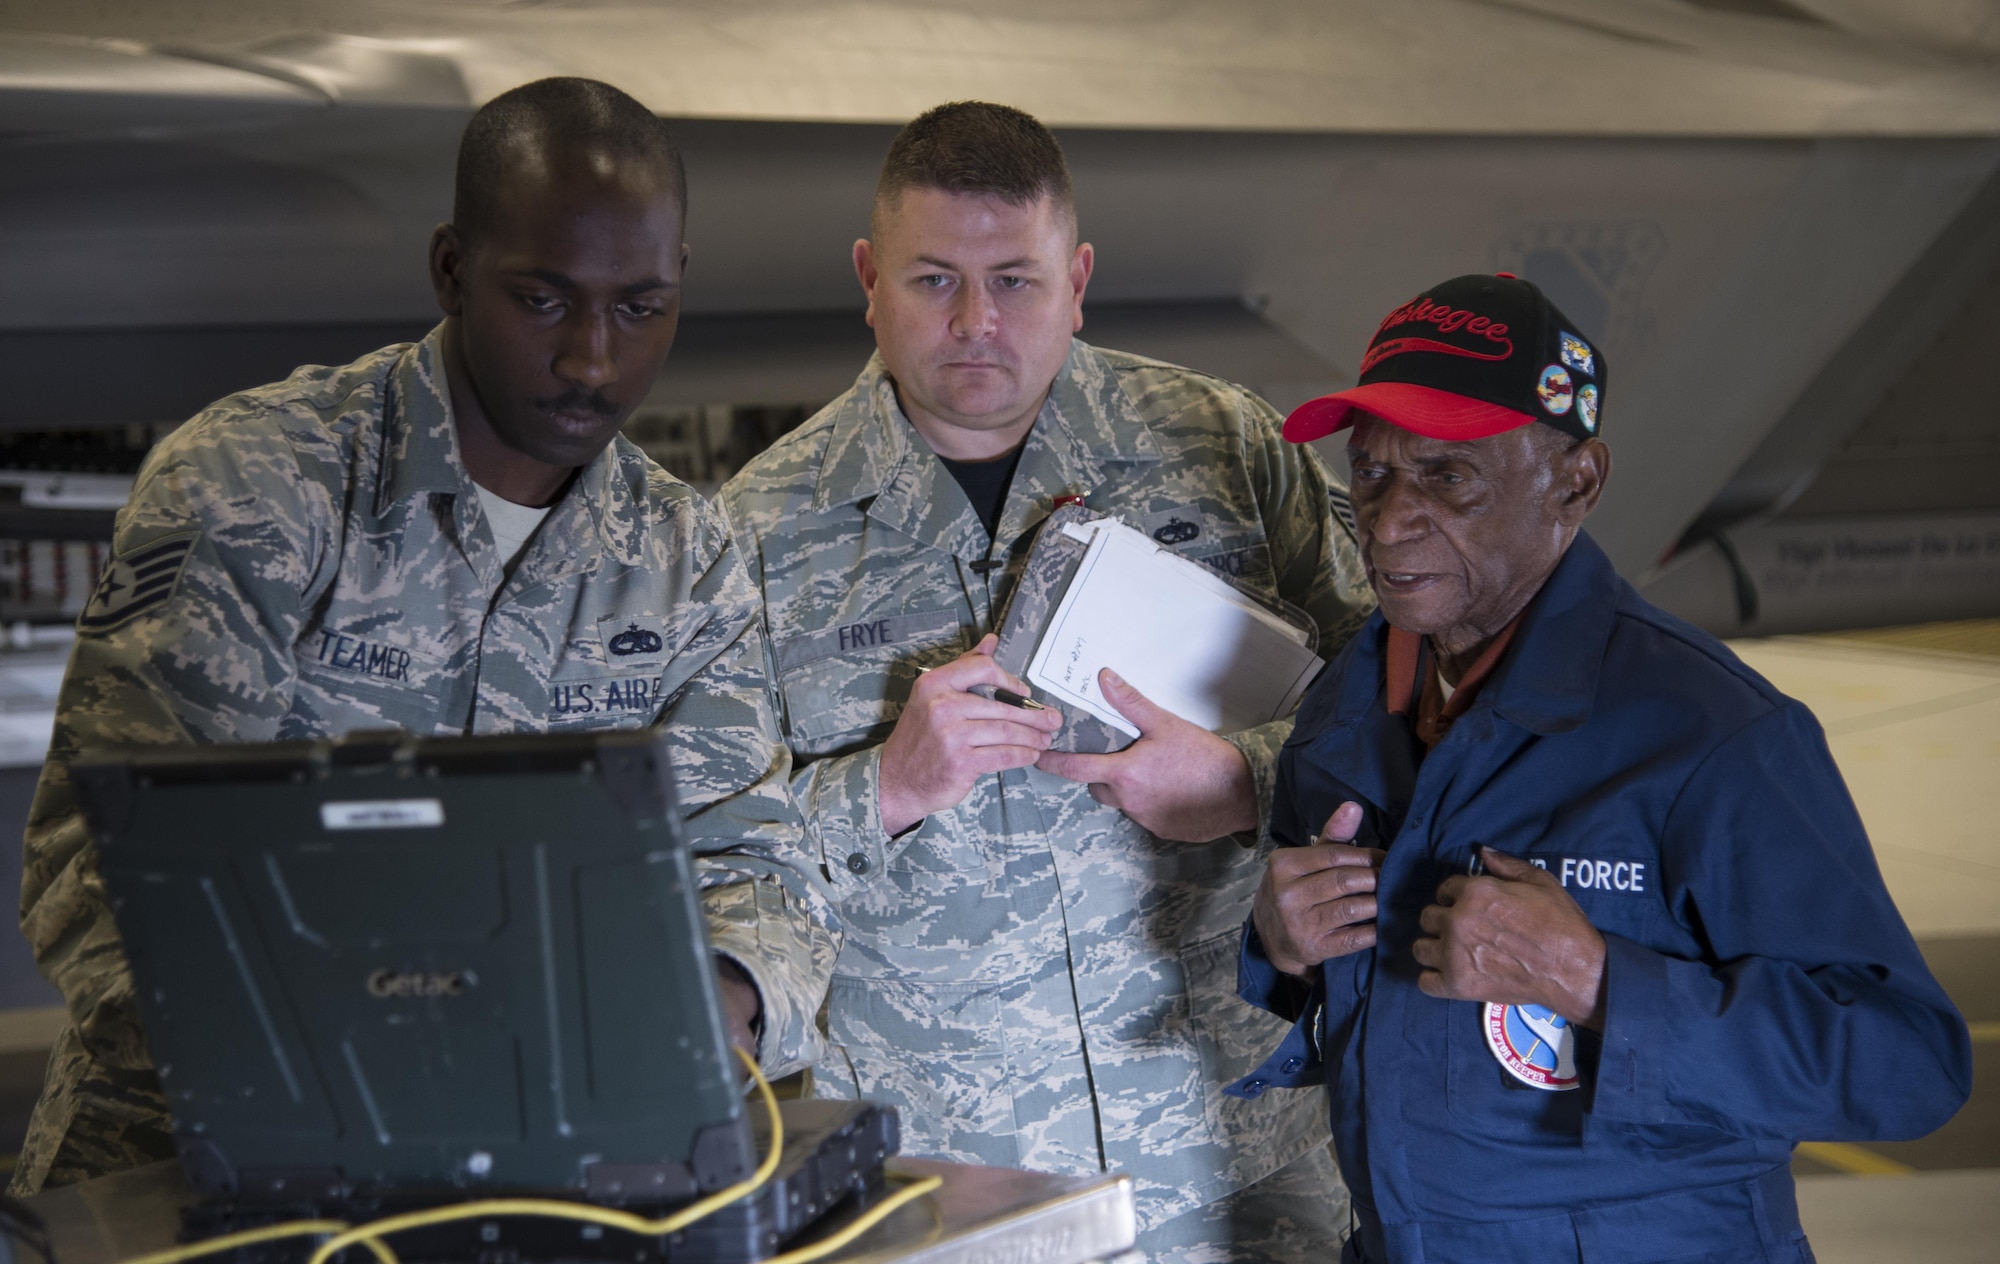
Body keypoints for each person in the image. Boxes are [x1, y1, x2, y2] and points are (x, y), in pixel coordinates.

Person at [12, 78, 836, 1194]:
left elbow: (755, 864)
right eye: (543, 301)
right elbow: (99, 864)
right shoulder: (258, 487)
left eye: (638, 308)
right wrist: (392, 1055)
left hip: (545, 1182)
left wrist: (715, 1005)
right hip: (197, 1178)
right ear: (450, 268)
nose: (594, 358)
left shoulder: (683, 559)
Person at [720, 102, 1373, 1260]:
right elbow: (712, 858)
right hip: (957, 1187)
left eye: (1014, 280)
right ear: (868, 278)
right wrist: (882, 786)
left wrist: (1247, 778)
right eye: (932, 280)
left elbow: (1393, 709)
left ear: (1075, 279)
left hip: (1235, 1146)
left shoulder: (1225, 448)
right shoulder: (754, 539)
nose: (975, 322)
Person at [1237, 273, 1972, 1262]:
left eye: (1447, 475)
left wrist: (1596, 981)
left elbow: (1904, 1063)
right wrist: (1281, 948)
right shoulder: (1344, 711)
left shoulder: (1706, 732)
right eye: (1369, 473)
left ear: (1573, 484)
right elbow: (1353, 1029)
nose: (1387, 517)